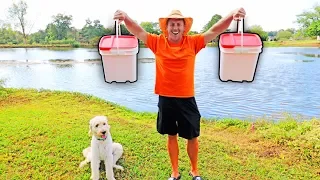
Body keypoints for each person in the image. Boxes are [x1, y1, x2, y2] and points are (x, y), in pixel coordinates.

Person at [114, 8, 246, 180]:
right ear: (166, 27)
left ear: (184, 28)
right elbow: (138, 31)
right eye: (172, 24)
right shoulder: (157, 42)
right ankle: (175, 172)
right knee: (171, 135)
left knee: (192, 136)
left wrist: (232, 15)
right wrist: (125, 18)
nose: (175, 27)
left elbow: (215, 30)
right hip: (166, 97)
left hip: (187, 97)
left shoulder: (193, 42)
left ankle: (194, 170)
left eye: (178, 24)